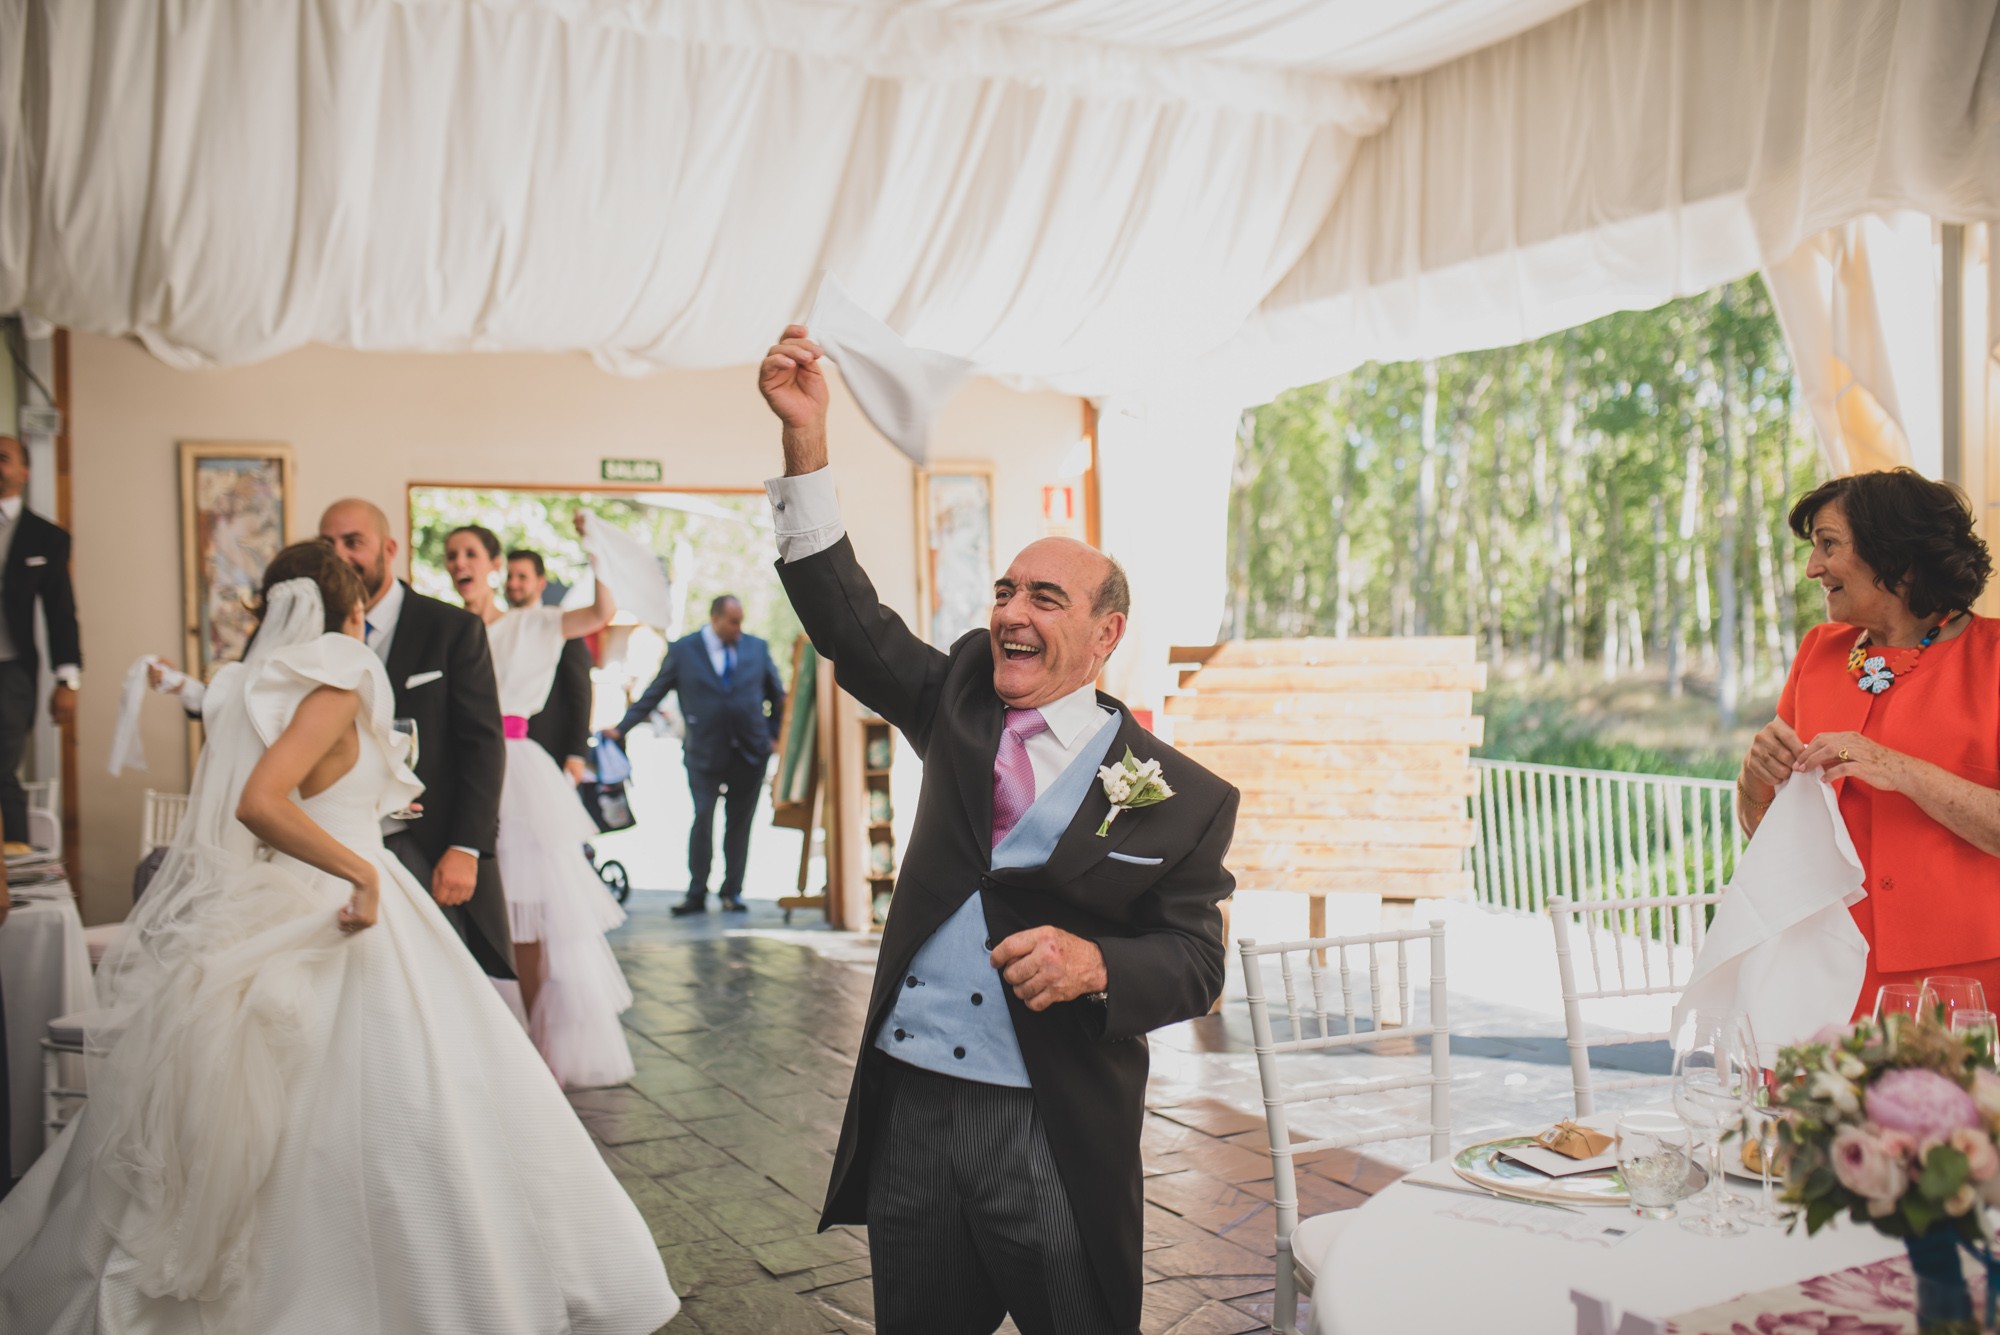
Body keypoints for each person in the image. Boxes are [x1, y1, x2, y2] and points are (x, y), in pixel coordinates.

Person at [0, 541, 678, 1333]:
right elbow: (262, 801)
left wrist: (371, 813)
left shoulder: (255, 682)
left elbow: (296, 792)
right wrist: (359, 868)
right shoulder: (343, 667)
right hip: (348, 909)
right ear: (353, 607)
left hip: (284, 902)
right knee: (414, 1101)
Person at [756, 325, 1239, 1335]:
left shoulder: (1183, 796)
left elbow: (1193, 963)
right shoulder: (960, 699)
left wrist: (1097, 964)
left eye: (1044, 597)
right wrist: (806, 439)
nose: (1012, 612)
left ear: (1104, 635)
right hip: (914, 1105)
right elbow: (846, 620)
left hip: (1050, 1120)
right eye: (1005, 590)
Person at [1740, 468, 2000, 1019]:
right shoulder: (1819, 650)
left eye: (1829, 545)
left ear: (1897, 554)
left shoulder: (1994, 657)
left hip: (1967, 984)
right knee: (1807, 1108)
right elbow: (1767, 831)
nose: (1814, 568)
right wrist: (1754, 779)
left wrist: (1901, 770)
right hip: (1823, 968)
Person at [446, 520, 633, 1089]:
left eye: (471, 554)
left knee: (524, 914)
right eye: (452, 555)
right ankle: (481, 1037)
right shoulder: (448, 630)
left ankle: (532, 1040)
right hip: (460, 769)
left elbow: (600, 614)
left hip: (517, 773)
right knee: (466, 910)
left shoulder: (535, 625)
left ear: (495, 566)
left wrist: (596, 548)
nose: (460, 563)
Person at [319, 499, 514, 980]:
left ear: (388, 548)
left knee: (436, 983)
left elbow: (483, 746)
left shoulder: (451, 629)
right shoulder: (316, 633)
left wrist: (466, 849)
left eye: (353, 542)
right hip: (335, 843)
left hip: (424, 844)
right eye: (328, 545)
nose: (340, 555)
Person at [608, 594, 785, 916]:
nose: (738, 628)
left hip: (749, 753)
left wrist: (773, 737)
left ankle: (732, 891)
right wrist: (621, 728)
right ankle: (696, 892)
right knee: (703, 818)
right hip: (704, 751)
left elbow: (777, 696)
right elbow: (654, 693)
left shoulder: (756, 648)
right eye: (733, 621)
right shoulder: (684, 650)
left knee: (739, 824)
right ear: (716, 618)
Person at [0, 434, 79, 852]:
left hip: (11, 669)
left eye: (3, 458)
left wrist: (67, 682)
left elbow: (60, 612)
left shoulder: (45, 537)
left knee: (2, 765)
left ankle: (14, 861)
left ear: (24, 472)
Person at [507, 548, 594, 784]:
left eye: (522, 577)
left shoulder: (560, 625)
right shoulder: (499, 627)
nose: (513, 583)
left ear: (540, 582)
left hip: (549, 743)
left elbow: (580, 692)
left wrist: (577, 753)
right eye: (509, 576)